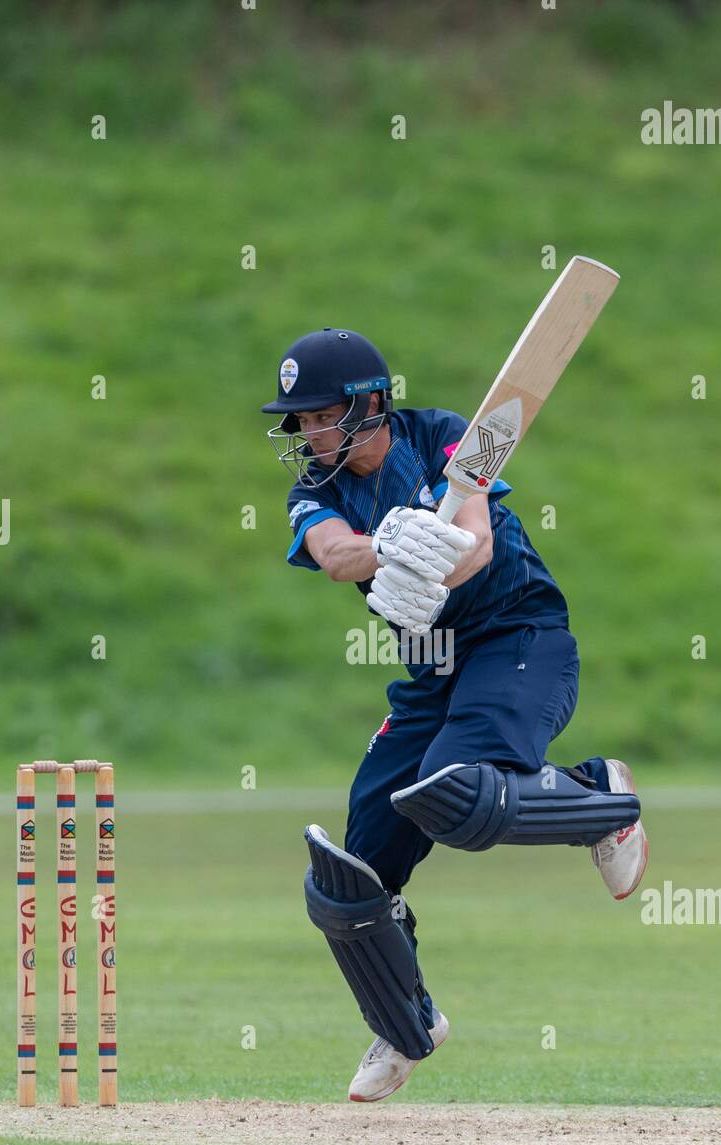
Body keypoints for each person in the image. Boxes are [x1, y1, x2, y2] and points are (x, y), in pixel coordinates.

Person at [262, 327, 648, 1102]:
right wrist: (390, 546)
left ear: (371, 406)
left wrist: (433, 547)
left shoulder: (445, 438)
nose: (308, 432)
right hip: (432, 679)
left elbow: (474, 541)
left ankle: (601, 800)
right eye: (298, 421)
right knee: (350, 880)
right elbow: (337, 556)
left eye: (321, 415)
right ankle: (405, 1024)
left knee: (459, 791)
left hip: (519, 640)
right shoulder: (316, 491)